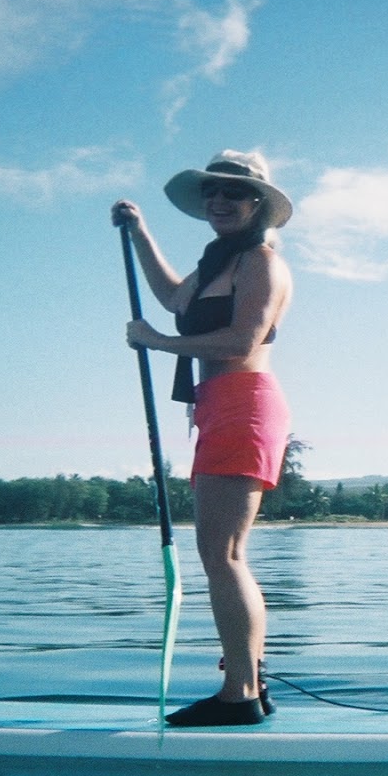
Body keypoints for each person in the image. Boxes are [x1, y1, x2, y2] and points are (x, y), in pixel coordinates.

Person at [111, 150, 294, 727]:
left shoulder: (260, 263)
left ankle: (239, 695)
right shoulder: (218, 264)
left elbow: (241, 342)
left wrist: (159, 343)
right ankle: (249, 682)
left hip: (246, 403)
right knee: (224, 556)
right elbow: (172, 297)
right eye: (212, 191)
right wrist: (140, 233)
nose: (220, 200)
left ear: (257, 204)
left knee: (223, 555)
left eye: (234, 193)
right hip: (219, 407)